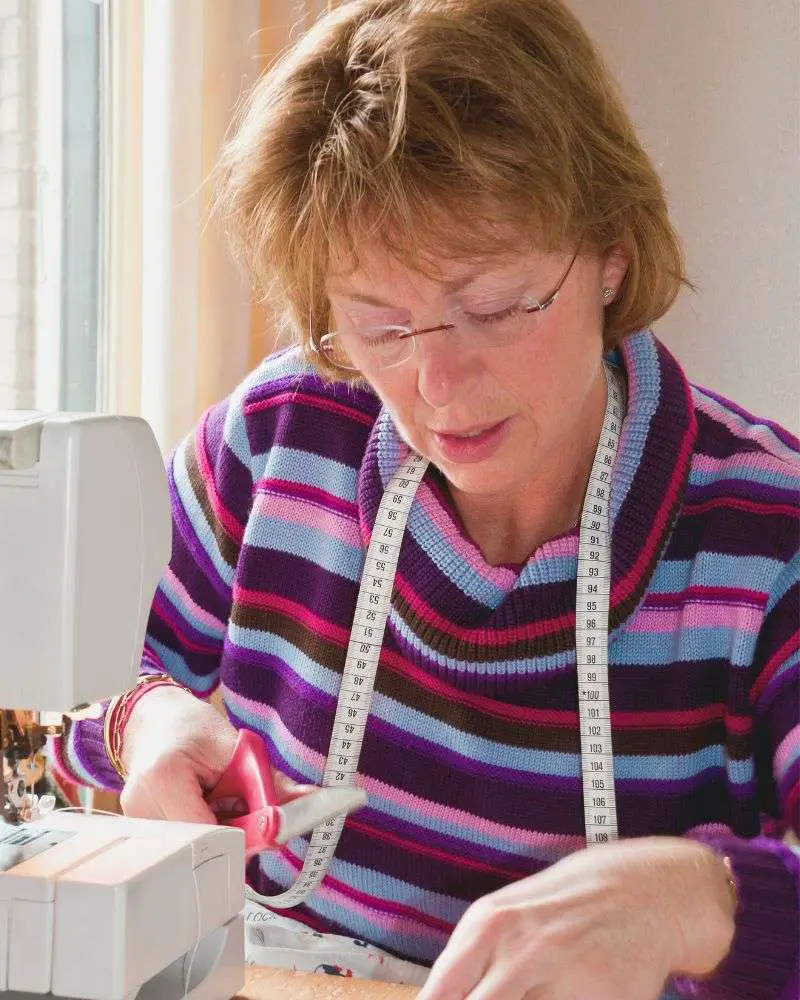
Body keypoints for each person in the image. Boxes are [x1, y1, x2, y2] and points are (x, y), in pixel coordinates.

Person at [51, 1, 799, 998]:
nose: (435, 385)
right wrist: (143, 722)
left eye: (489, 305)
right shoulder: (283, 434)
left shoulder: (766, 534)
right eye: (377, 322)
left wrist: (696, 897)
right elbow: (74, 687)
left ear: (609, 252)